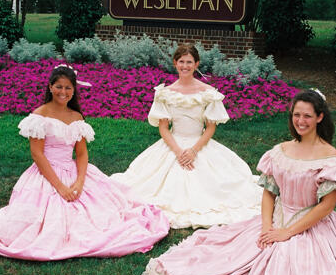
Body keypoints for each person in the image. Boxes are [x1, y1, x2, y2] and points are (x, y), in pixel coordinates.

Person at [142, 89, 336, 275]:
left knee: (301, 273)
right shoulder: (280, 151)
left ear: (319, 117)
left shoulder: (329, 158)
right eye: (296, 115)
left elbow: (327, 205)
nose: (300, 121)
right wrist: (268, 226)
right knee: (238, 256)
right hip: (276, 218)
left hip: (311, 225)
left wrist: (287, 232)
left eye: (307, 116)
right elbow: (269, 192)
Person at [0, 65, 169, 261]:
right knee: (52, 218)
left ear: (74, 90)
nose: (63, 92)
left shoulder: (76, 117)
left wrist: (79, 181)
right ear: (50, 87)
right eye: (59, 86)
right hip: (46, 172)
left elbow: (82, 154)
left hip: (73, 169)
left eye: (68, 88)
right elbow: (38, 155)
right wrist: (60, 187)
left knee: (102, 214)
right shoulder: (40, 115)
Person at [111, 44, 262, 229]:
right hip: (173, 143)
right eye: (181, 61)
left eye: (189, 62)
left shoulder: (208, 93)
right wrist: (178, 152)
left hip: (199, 143)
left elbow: (210, 128)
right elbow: (164, 128)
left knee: (219, 185)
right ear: (175, 63)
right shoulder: (165, 93)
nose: (185, 66)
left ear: (196, 63)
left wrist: (193, 151)